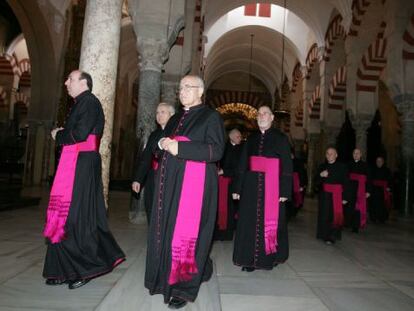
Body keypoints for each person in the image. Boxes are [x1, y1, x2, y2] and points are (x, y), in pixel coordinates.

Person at [144, 75, 225, 309]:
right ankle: (163, 277)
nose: (181, 91)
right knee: (167, 229)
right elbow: (160, 146)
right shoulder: (176, 117)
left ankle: (182, 287)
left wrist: (181, 146)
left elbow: (216, 150)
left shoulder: (211, 117)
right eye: (180, 88)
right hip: (169, 183)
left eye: (187, 87)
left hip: (195, 184)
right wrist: (160, 145)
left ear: (200, 91)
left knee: (188, 234)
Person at [43, 70, 125, 289]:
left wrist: (58, 135)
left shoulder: (89, 102)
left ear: (83, 83)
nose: (66, 82)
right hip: (74, 162)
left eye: (70, 79)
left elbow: (79, 134)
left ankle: (86, 268)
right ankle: (60, 269)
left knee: (78, 216)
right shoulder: (80, 102)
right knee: (62, 213)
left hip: (83, 163)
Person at [232, 105, 292, 272]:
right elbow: (243, 164)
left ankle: (269, 258)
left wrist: (285, 191)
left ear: (272, 118)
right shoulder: (251, 139)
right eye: (259, 114)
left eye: (265, 113)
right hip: (251, 187)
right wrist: (237, 188)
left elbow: (287, 165)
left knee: (271, 223)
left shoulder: (281, 138)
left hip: (272, 187)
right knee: (249, 222)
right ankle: (249, 260)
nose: (262, 116)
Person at [132, 102, 175, 224]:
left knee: (166, 213)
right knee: (151, 209)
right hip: (152, 178)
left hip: (169, 178)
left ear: (171, 115)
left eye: (162, 112)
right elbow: (146, 158)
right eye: (157, 112)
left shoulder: (176, 134)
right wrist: (138, 179)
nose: (159, 115)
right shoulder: (154, 135)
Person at [315, 147, 348, 244]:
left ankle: (332, 236)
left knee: (335, 215)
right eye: (327, 153)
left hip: (337, 195)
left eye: (331, 153)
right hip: (324, 195)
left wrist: (345, 197)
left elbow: (346, 182)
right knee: (324, 215)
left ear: (336, 155)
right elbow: (316, 182)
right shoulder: (322, 166)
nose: (329, 155)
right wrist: (320, 175)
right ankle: (323, 234)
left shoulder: (342, 167)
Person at [214, 128, 243, 240]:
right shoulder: (223, 148)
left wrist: (225, 171)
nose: (240, 138)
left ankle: (227, 234)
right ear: (231, 137)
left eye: (240, 136)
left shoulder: (242, 149)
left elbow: (240, 168)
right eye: (238, 136)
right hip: (220, 182)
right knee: (218, 207)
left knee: (230, 209)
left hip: (233, 183)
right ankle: (218, 233)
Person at [346, 148, 371, 233]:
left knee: (358, 208)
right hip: (350, 188)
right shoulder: (348, 164)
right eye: (354, 153)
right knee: (349, 206)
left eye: (357, 153)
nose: (356, 155)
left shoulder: (365, 165)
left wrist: (368, 191)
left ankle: (355, 226)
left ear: (361, 155)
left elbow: (369, 179)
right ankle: (347, 223)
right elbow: (345, 177)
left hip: (360, 189)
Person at [369, 156, 392, 223]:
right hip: (374, 190)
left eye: (380, 161)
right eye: (377, 161)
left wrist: (389, 187)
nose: (378, 162)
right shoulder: (372, 169)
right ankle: (373, 218)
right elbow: (370, 180)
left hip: (383, 191)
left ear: (383, 162)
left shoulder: (387, 170)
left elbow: (390, 180)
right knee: (373, 204)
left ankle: (382, 218)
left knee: (382, 205)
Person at [286, 150, 307, 221]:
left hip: (296, 183)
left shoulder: (299, 162)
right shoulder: (286, 160)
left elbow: (301, 173)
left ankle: (292, 213)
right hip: (288, 182)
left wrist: (301, 185)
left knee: (295, 199)